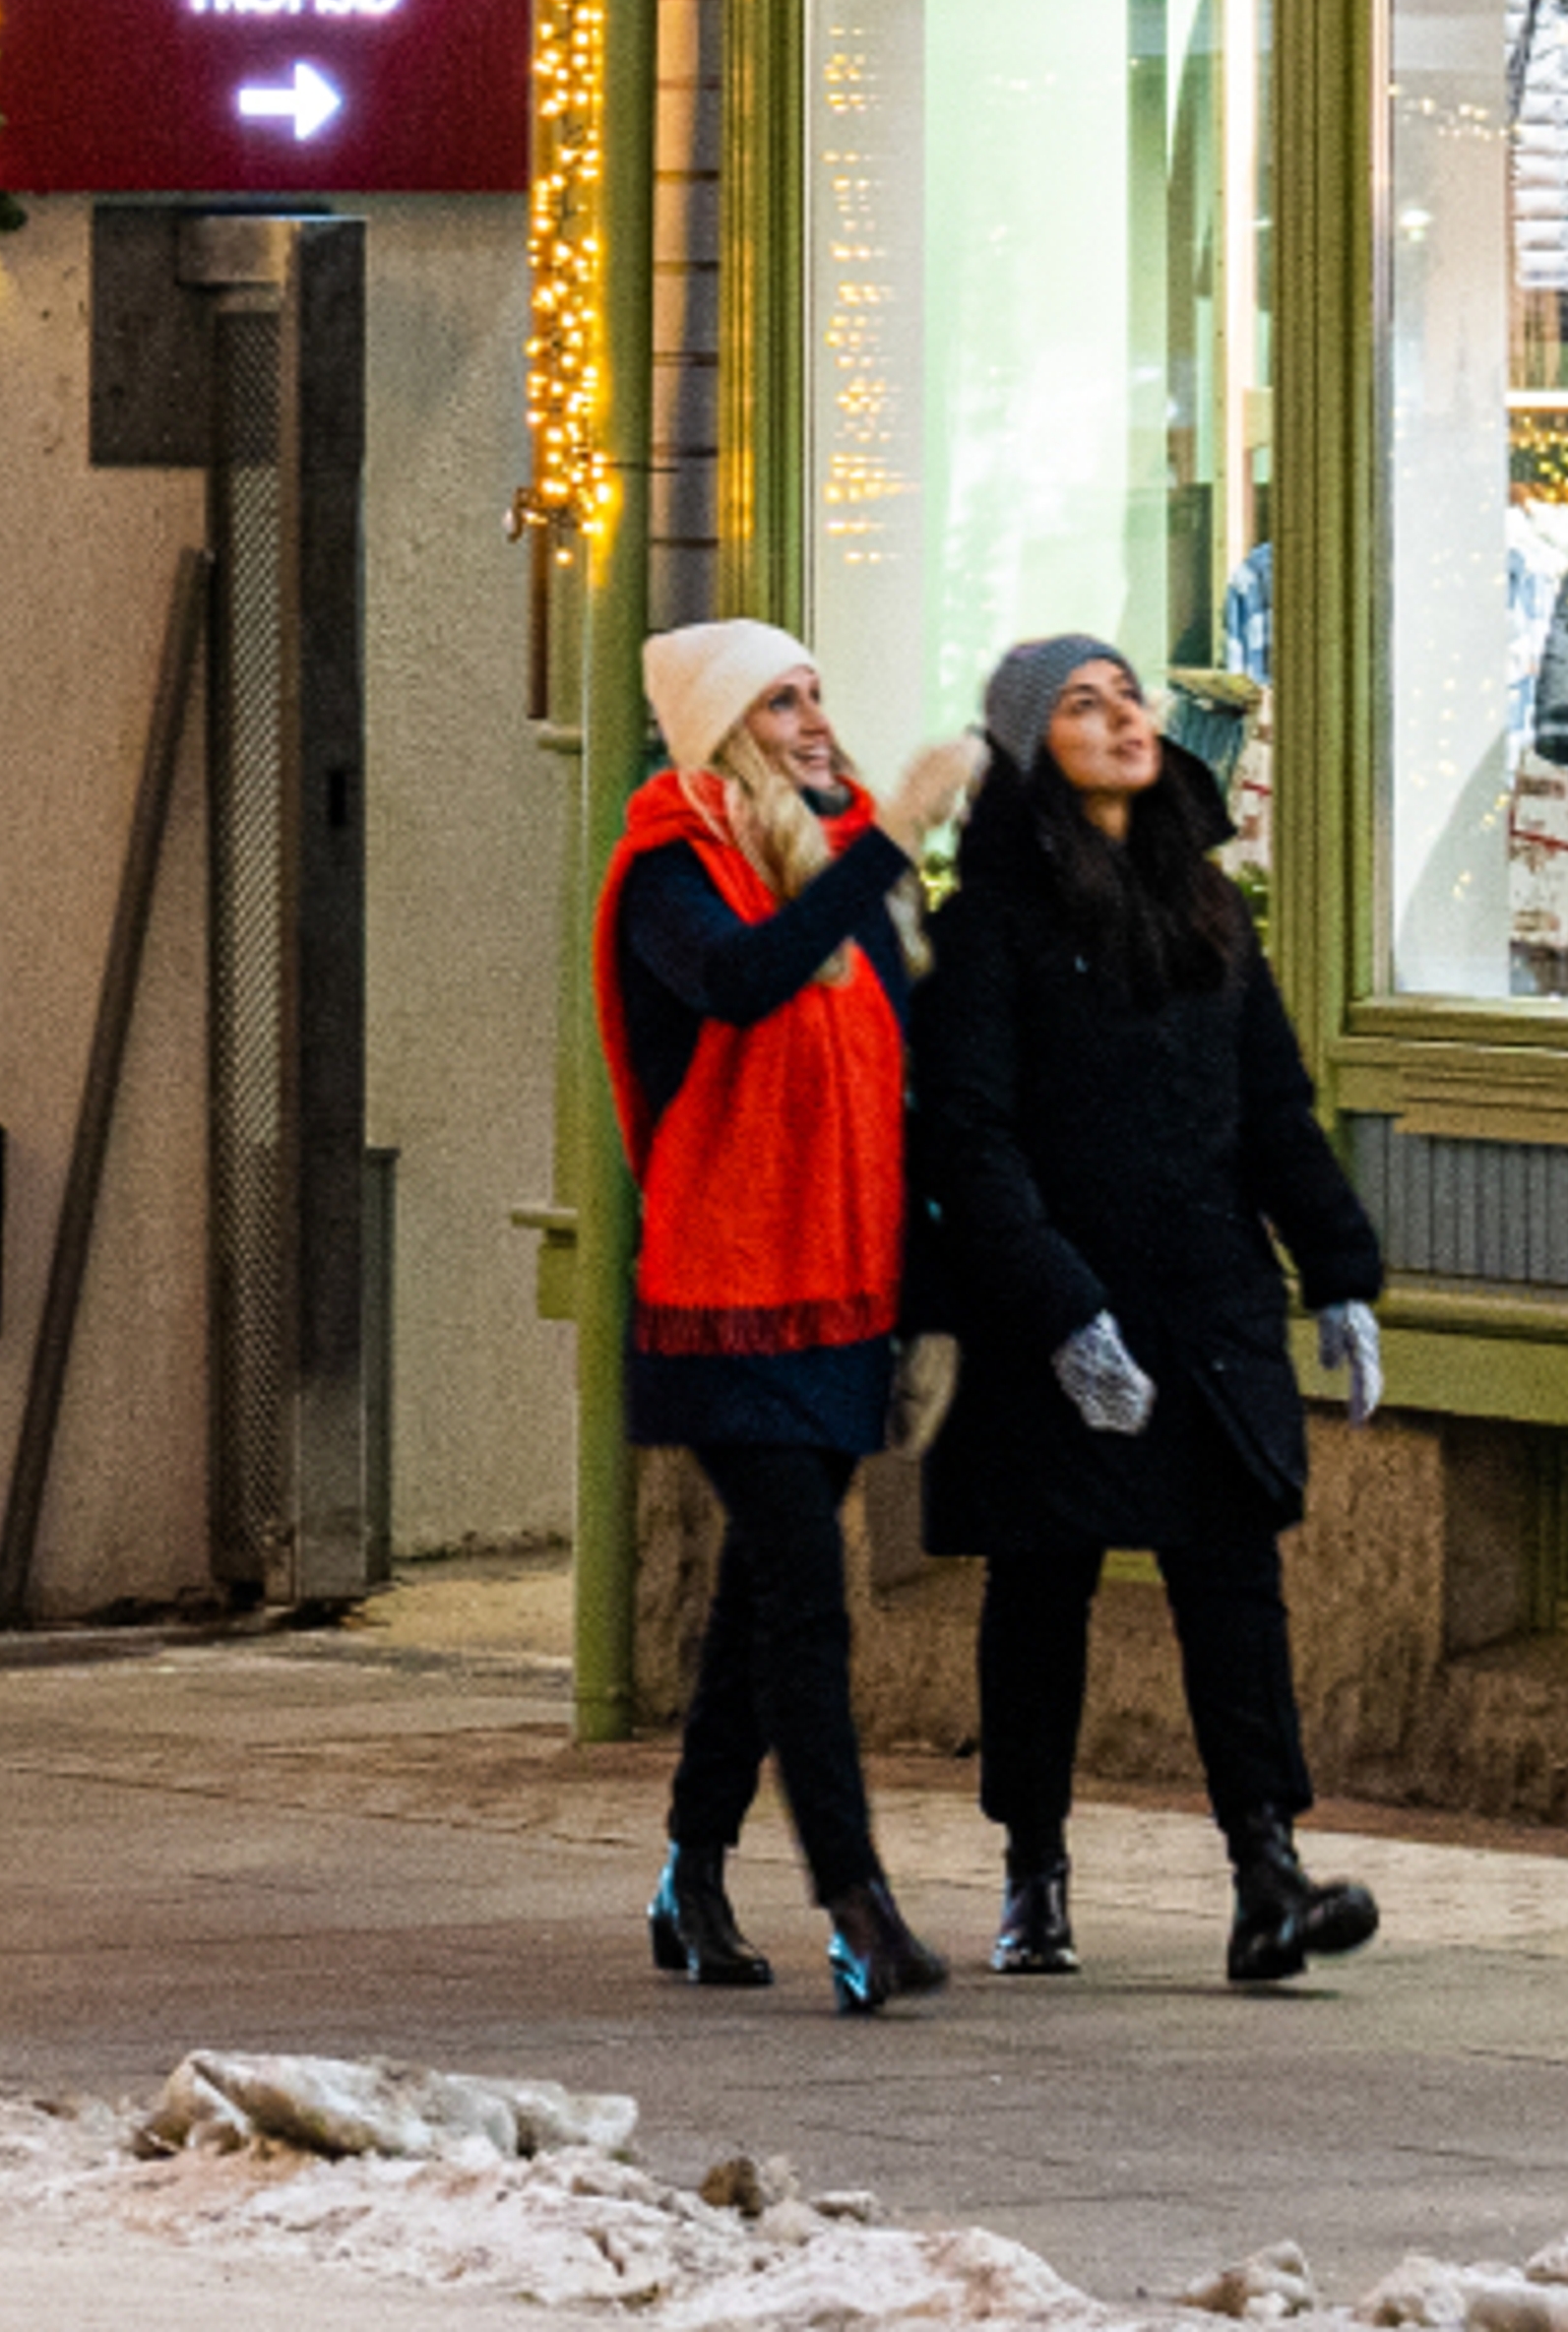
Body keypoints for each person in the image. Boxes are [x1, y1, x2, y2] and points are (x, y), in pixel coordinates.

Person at [911, 633, 1387, 1987]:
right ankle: (1033, 1875)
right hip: (1051, 1307)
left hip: (1206, 1299)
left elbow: (1276, 1115)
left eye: (1127, 694)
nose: (1123, 716)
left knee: (1234, 1581)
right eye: (1081, 702)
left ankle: (1267, 1874)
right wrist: (1062, 1313)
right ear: (1025, 746)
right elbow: (971, 1142)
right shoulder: (989, 927)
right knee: (1043, 1588)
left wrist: (1341, 1277)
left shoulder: (1206, 910)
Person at [593, 617, 984, 2013]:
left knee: (765, 1599)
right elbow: (748, 984)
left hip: (844, 1296)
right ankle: (859, 1909)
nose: (815, 721)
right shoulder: (668, 871)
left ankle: (690, 1873)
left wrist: (931, 1306)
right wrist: (890, 845)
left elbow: (904, 1098)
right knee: (808, 1601)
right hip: (723, 1298)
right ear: (716, 732)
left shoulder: (848, 864)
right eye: (779, 704)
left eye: (819, 693)